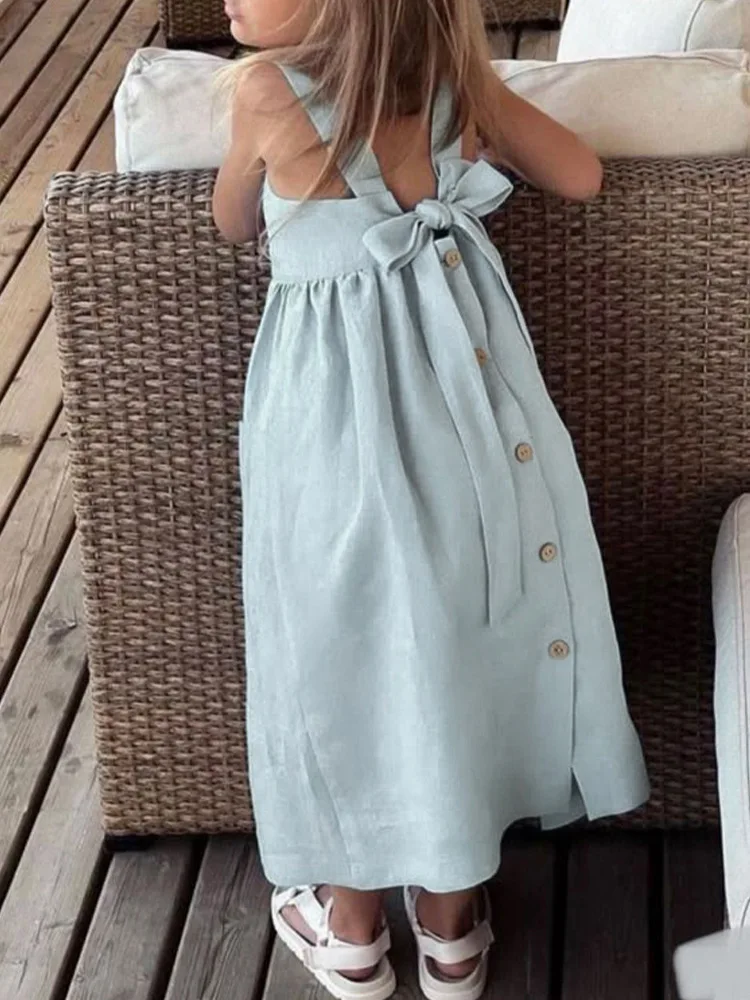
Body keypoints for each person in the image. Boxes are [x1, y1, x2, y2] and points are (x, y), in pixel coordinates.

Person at [212, 2, 650, 998]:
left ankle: (352, 925)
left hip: (331, 440)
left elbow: (232, 219)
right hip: (471, 422)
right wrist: (476, 101)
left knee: (339, 656)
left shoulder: (265, 92)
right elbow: (581, 174)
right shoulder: (454, 92)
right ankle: (452, 928)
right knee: (456, 646)